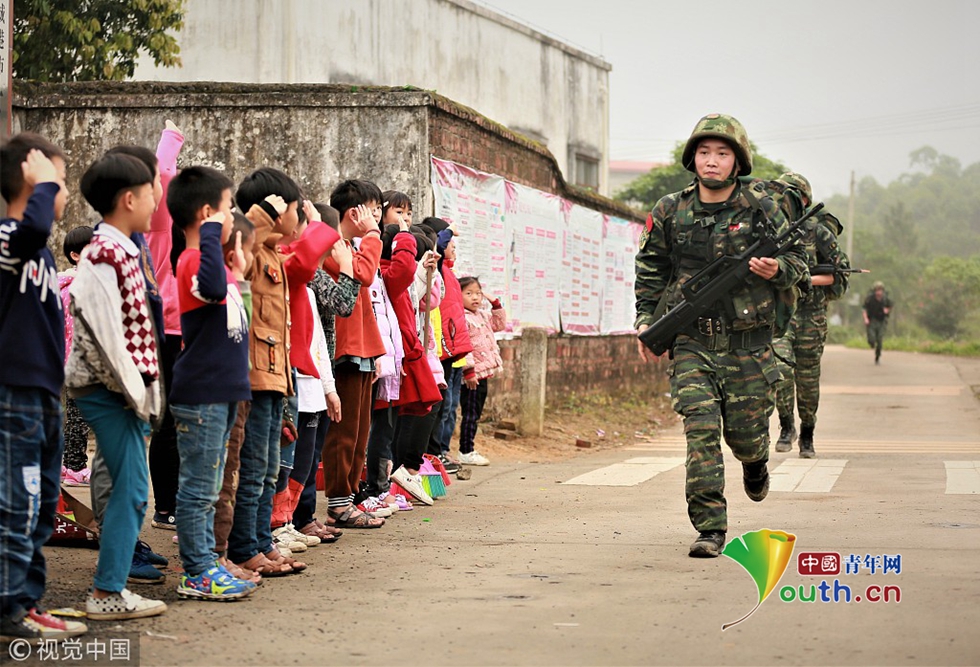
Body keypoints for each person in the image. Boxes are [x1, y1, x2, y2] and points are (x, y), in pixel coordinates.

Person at [633, 113, 808, 558]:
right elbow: (652, 269)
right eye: (705, 153)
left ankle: (756, 463)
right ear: (693, 159)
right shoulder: (669, 209)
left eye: (722, 153)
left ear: (737, 161)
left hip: (749, 344)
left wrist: (778, 269)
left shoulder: (762, 207)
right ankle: (711, 528)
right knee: (701, 430)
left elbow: (801, 263)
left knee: (747, 438)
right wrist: (644, 321)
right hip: (693, 340)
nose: (712, 161)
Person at [68, 152, 166, 618]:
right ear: (129, 199)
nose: (156, 200)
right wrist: (138, 396)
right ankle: (107, 592)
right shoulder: (106, 253)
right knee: (130, 488)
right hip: (110, 391)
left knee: (131, 486)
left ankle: (110, 587)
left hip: (120, 391)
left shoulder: (122, 248)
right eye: (150, 191)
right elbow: (107, 336)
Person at [0, 134, 87, 640]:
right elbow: (31, 226)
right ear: (31, 180)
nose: (63, 192)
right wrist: (42, 183)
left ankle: (27, 600)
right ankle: (11, 605)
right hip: (13, 395)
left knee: (39, 504)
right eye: (56, 181)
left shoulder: (37, 251)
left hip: (42, 394)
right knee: (17, 501)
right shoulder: (10, 238)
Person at [167, 165, 256, 600]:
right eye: (226, 210)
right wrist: (209, 233)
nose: (232, 219)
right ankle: (197, 570)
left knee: (212, 484)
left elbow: (237, 325)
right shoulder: (190, 263)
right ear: (207, 215)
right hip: (201, 396)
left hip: (221, 395)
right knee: (199, 488)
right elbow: (211, 288)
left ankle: (208, 563)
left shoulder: (216, 270)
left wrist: (238, 271)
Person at [228, 168, 309, 575]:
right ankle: (245, 547)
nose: (300, 217)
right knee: (255, 467)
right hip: (256, 376)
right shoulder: (252, 248)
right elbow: (234, 268)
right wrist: (256, 221)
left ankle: (261, 541)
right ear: (276, 212)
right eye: (295, 209)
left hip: (276, 376)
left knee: (268, 468)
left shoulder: (274, 252)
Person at [320, 180, 387, 529]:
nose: (377, 217)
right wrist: (374, 234)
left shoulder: (347, 244)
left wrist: (375, 353)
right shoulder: (332, 243)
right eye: (373, 210)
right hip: (344, 349)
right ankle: (338, 503)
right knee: (344, 432)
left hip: (362, 347)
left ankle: (350, 496)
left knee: (360, 431)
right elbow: (364, 274)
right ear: (354, 212)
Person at [770, 173, 850, 459]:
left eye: (792, 195)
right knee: (780, 371)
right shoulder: (770, 228)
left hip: (810, 314)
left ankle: (807, 433)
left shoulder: (818, 232)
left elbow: (838, 276)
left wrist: (802, 280)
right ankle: (785, 426)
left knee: (807, 377)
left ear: (803, 199)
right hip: (781, 314)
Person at [456, 276, 506, 467]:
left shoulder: (483, 315)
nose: (475, 298)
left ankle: (469, 448)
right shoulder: (462, 316)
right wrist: (468, 371)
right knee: (470, 413)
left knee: (476, 413)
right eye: (468, 293)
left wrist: (495, 303)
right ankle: (465, 450)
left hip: (484, 373)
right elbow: (464, 345)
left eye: (478, 293)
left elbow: (499, 324)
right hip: (471, 375)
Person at [59, 226, 95, 486]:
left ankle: (68, 464)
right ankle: (75, 467)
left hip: (75, 360)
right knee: (78, 415)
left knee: (76, 413)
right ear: (74, 255)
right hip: (78, 361)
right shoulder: (75, 286)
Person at [863, 281, 892, 365]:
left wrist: (887, 310)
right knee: (871, 338)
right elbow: (864, 309)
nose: (878, 292)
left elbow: (890, 306)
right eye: (877, 290)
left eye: (880, 290)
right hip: (872, 320)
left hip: (882, 321)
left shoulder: (885, 299)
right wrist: (865, 319)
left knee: (880, 339)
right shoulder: (870, 299)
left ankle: (877, 355)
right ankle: (871, 343)